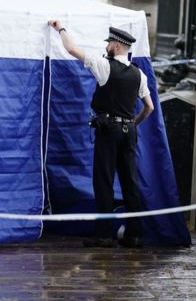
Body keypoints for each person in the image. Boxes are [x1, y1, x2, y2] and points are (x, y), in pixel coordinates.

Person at [48, 20, 155, 248]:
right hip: (129, 132)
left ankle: (105, 235)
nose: (106, 46)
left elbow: (71, 49)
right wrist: (133, 123)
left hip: (109, 131)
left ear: (116, 46)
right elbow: (150, 107)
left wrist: (61, 29)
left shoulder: (104, 66)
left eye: (109, 43)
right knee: (130, 182)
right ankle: (134, 235)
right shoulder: (139, 75)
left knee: (104, 181)